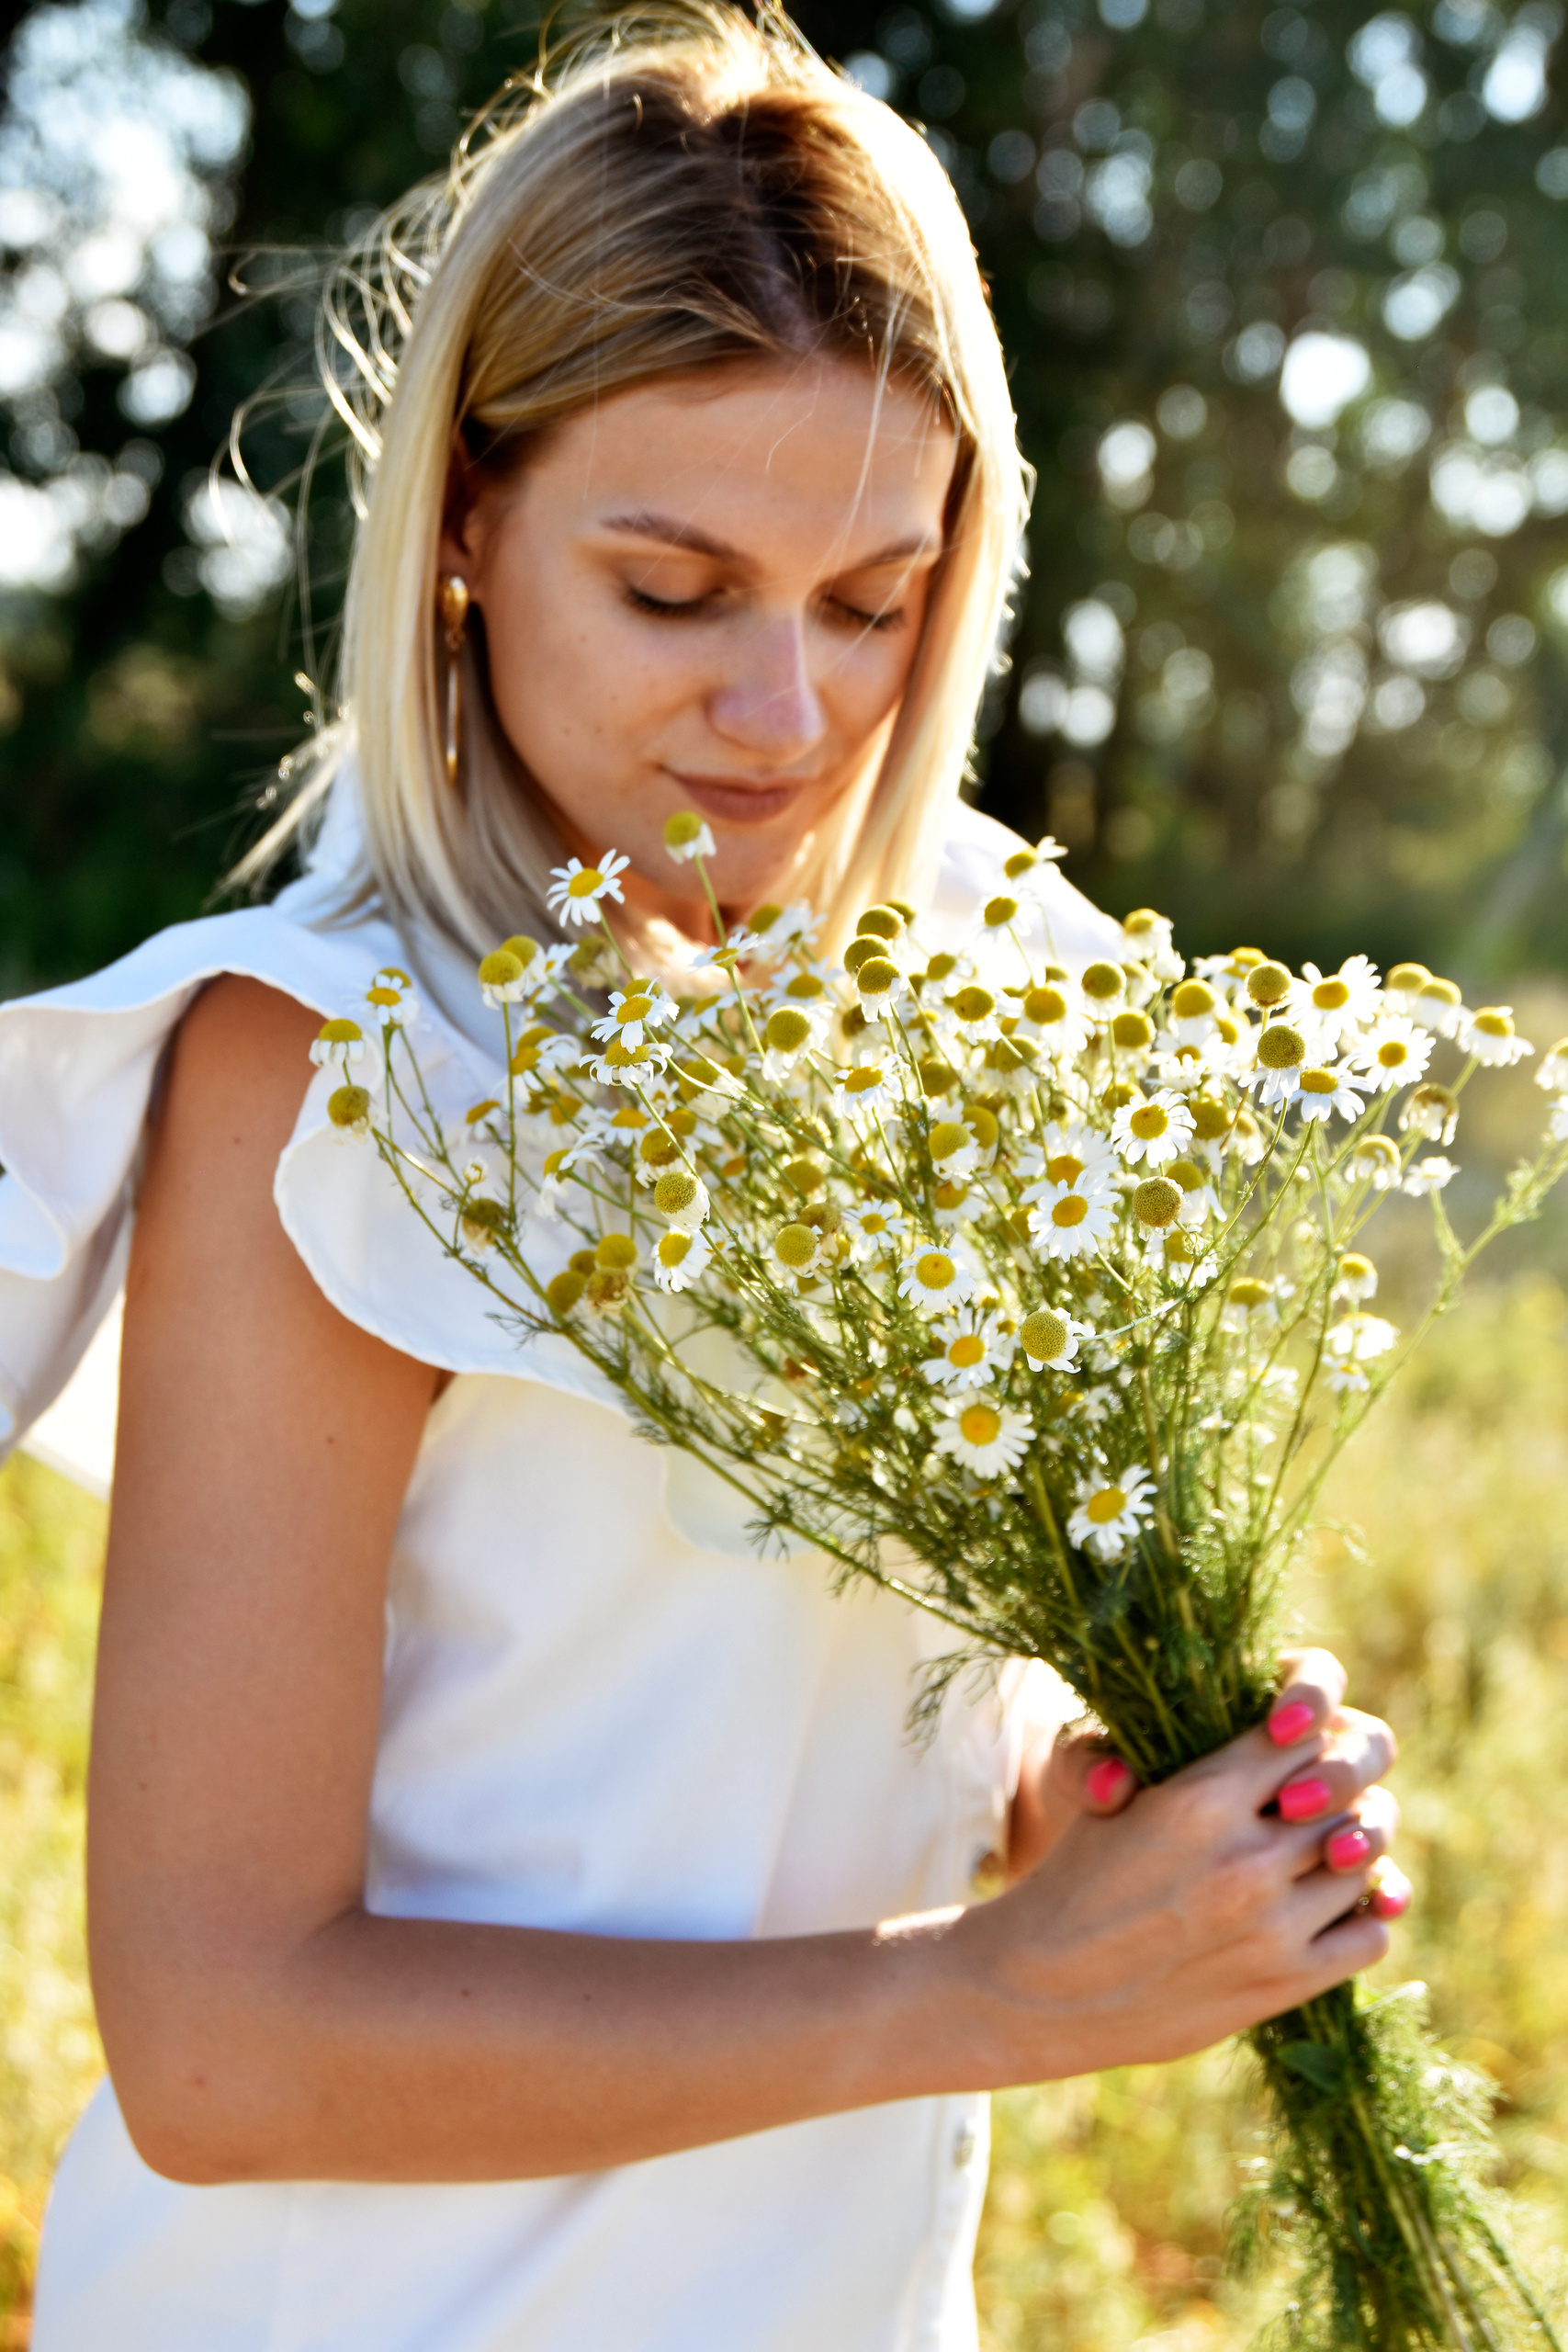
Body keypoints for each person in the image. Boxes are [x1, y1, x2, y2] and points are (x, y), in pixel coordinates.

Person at [0, 9, 1404, 2346]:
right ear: (463, 516)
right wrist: (991, 1993)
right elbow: (220, 2039)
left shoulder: (989, 989)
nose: (782, 719)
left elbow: (867, 1755)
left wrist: (1121, 1812)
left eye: (869, 601)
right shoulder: (328, 1065)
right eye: (670, 587)